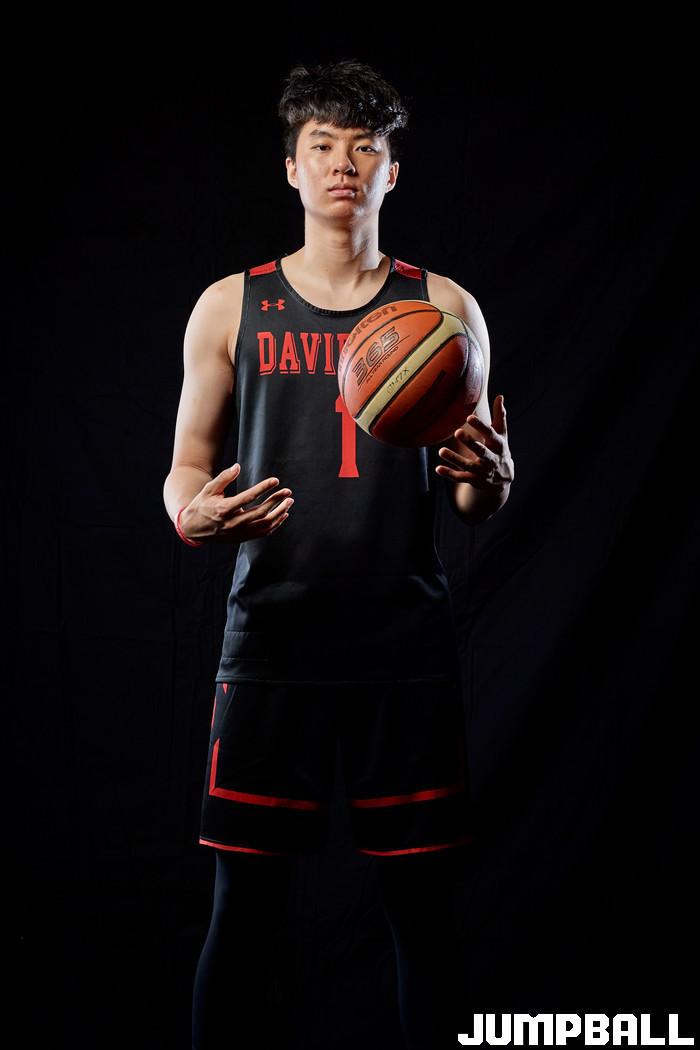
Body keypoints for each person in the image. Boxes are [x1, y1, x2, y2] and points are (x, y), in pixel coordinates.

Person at [163, 57, 515, 1050]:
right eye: (322, 145)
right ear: (292, 167)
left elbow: (469, 493)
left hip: (401, 648)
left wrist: (493, 479)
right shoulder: (231, 306)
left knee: (423, 912)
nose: (343, 164)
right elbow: (185, 467)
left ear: (392, 171)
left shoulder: (445, 308)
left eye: (365, 147)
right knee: (243, 910)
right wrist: (192, 516)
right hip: (272, 643)